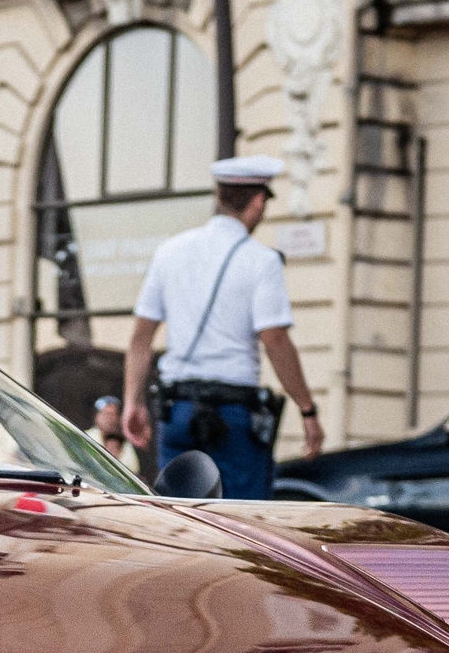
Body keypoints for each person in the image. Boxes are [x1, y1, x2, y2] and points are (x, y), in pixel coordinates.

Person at [120, 156, 323, 497]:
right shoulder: (262, 260)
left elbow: (141, 338)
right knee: (241, 525)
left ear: (219, 196)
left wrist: (132, 401)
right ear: (258, 201)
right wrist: (308, 409)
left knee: (181, 519)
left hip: (178, 410)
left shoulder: (169, 252)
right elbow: (274, 339)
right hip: (234, 415)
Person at [91, 395, 139, 473]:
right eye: (107, 414)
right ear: (97, 416)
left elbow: (134, 469)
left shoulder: (127, 442)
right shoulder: (87, 437)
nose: (111, 419)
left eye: (114, 414)